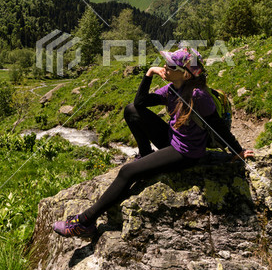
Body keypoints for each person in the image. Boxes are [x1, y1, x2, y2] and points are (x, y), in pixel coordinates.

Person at [53, 47, 254, 238]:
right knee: (131, 110)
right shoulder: (173, 88)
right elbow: (140, 103)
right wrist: (149, 73)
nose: (165, 67)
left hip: (185, 152)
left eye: (170, 65)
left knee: (127, 172)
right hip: (172, 138)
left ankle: (84, 223)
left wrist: (238, 151)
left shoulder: (198, 96)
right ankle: (146, 154)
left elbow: (217, 127)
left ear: (185, 74)